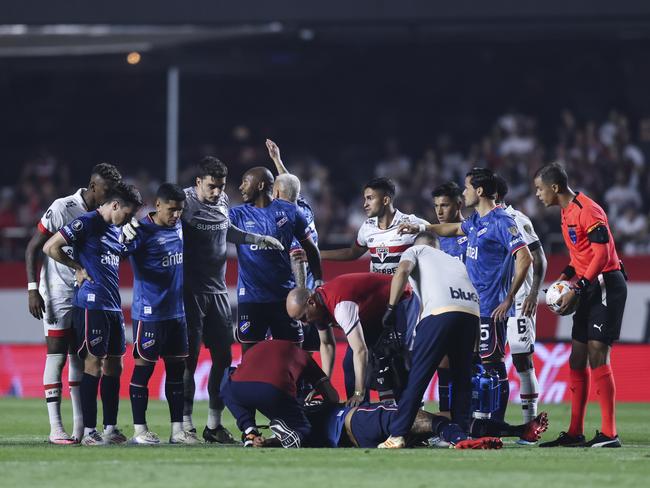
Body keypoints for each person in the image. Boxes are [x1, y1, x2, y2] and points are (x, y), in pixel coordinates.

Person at [399, 168, 533, 422]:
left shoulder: (502, 221)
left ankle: (495, 425)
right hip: (472, 307)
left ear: (479, 191)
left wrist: (508, 299)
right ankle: (470, 421)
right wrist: (420, 226)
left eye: (467, 187)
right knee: (469, 367)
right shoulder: (476, 222)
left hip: (491, 307)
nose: (464, 192)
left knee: (492, 367)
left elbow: (524, 257)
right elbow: (451, 230)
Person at [171, 157, 282, 443]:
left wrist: (257, 238)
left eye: (221, 186)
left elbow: (227, 232)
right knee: (190, 360)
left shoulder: (222, 203)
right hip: (190, 292)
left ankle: (213, 425)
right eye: (211, 186)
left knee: (222, 357)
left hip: (218, 292)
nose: (217, 192)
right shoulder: (183, 202)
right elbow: (161, 220)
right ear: (198, 183)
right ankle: (185, 426)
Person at [25, 163, 122, 444]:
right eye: (106, 189)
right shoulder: (63, 207)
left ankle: (80, 428)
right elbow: (35, 246)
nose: (109, 195)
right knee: (55, 354)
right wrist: (33, 289)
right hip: (56, 290)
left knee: (80, 357)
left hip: (85, 294)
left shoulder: (104, 215)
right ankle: (56, 427)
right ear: (93, 186)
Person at [42, 182, 143, 445]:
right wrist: (76, 267)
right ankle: (88, 431)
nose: (129, 219)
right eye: (128, 213)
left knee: (115, 366)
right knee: (93, 364)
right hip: (90, 305)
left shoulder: (116, 230)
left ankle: (110, 428)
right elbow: (50, 246)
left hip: (112, 305)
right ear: (115, 205)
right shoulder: (87, 222)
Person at [534, 162, 626, 448]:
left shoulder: (589, 210)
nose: (537, 194)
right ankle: (575, 432)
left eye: (539, 189)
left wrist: (580, 287)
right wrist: (562, 281)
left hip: (605, 284)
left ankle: (610, 434)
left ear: (555, 187)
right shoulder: (566, 213)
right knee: (577, 358)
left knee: (598, 354)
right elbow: (580, 258)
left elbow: (602, 254)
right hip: (587, 285)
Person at [377, 232, 480, 448]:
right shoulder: (453, 261)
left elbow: (402, 271)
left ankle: (397, 435)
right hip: (471, 313)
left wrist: (390, 307)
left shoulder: (415, 250)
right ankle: (461, 435)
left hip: (441, 313)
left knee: (418, 377)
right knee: (462, 378)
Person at [125, 183, 198, 444]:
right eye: (171, 210)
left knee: (177, 372)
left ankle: (177, 431)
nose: (176, 215)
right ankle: (139, 430)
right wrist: (122, 232)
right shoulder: (141, 231)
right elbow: (118, 251)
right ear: (157, 205)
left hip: (176, 314)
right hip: (149, 313)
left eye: (180, 210)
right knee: (143, 371)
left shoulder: (179, 226)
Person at [286, 272, 419, 405]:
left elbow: (360, 350)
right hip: (372, 312)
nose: (304, 323)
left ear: (311, 302)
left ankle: (410, 408)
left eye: (303, 317)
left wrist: (358, 393)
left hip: (399, 299)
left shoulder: (341, 305)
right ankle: (358, 413)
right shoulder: (317, 308)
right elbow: (327, 344)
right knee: (349, 364)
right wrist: (323, 385)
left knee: (397, 360)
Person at [229, 167, 322, 352]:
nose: (240, 187)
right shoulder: (237, 214)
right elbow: (218, 230)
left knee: (292, 355)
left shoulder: (291, 212)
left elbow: (311, 248)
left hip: (284, 299)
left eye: (245, 182)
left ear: (261, 185)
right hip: (251, 299)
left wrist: (318, 280)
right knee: (251, 359)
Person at [495, 175, 547, 432]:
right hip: (493, 302)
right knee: (489, 362)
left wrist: (533, 293)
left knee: (522, 361)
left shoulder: (517, 219)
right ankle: (491, 421)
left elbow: (539, 258)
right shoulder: (485, 222)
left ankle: (530, 425)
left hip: (518, 302)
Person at [221, 340, 339, 448]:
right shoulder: (305, 357)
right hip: (272, 389)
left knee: (228, 387)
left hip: (236, 388)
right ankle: (277, 437)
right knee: (303, 429)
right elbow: (333, 397)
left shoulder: (262, 346)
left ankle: (250, 433)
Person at [301, 401, 547, 449]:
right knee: (438, 421)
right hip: (361, 418)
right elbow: (331, 395)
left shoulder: (300, 428)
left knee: (442, 420)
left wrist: (264, 440)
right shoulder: (303, 410)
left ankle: (517, 430)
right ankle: (462, 441)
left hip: (357, 437)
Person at [320, 177, 429, 275]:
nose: (365, 204)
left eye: (370, 198)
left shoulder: (412, 222)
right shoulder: (368, 226)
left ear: (385, 200)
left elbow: (438, 236)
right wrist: (316, 254)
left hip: (406, 293)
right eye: (365, 199)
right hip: (379, 292)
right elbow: (352, 253)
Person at [430, 181, 468, 418]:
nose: (440, 211)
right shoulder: (434, 237)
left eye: (445, 205)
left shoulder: (471, 231)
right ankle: (446, 416)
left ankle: (472, 416)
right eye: (436, 206)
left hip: (473, 307)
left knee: (473, 364)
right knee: (443, 362)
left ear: (459, 204)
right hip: (444, 306)